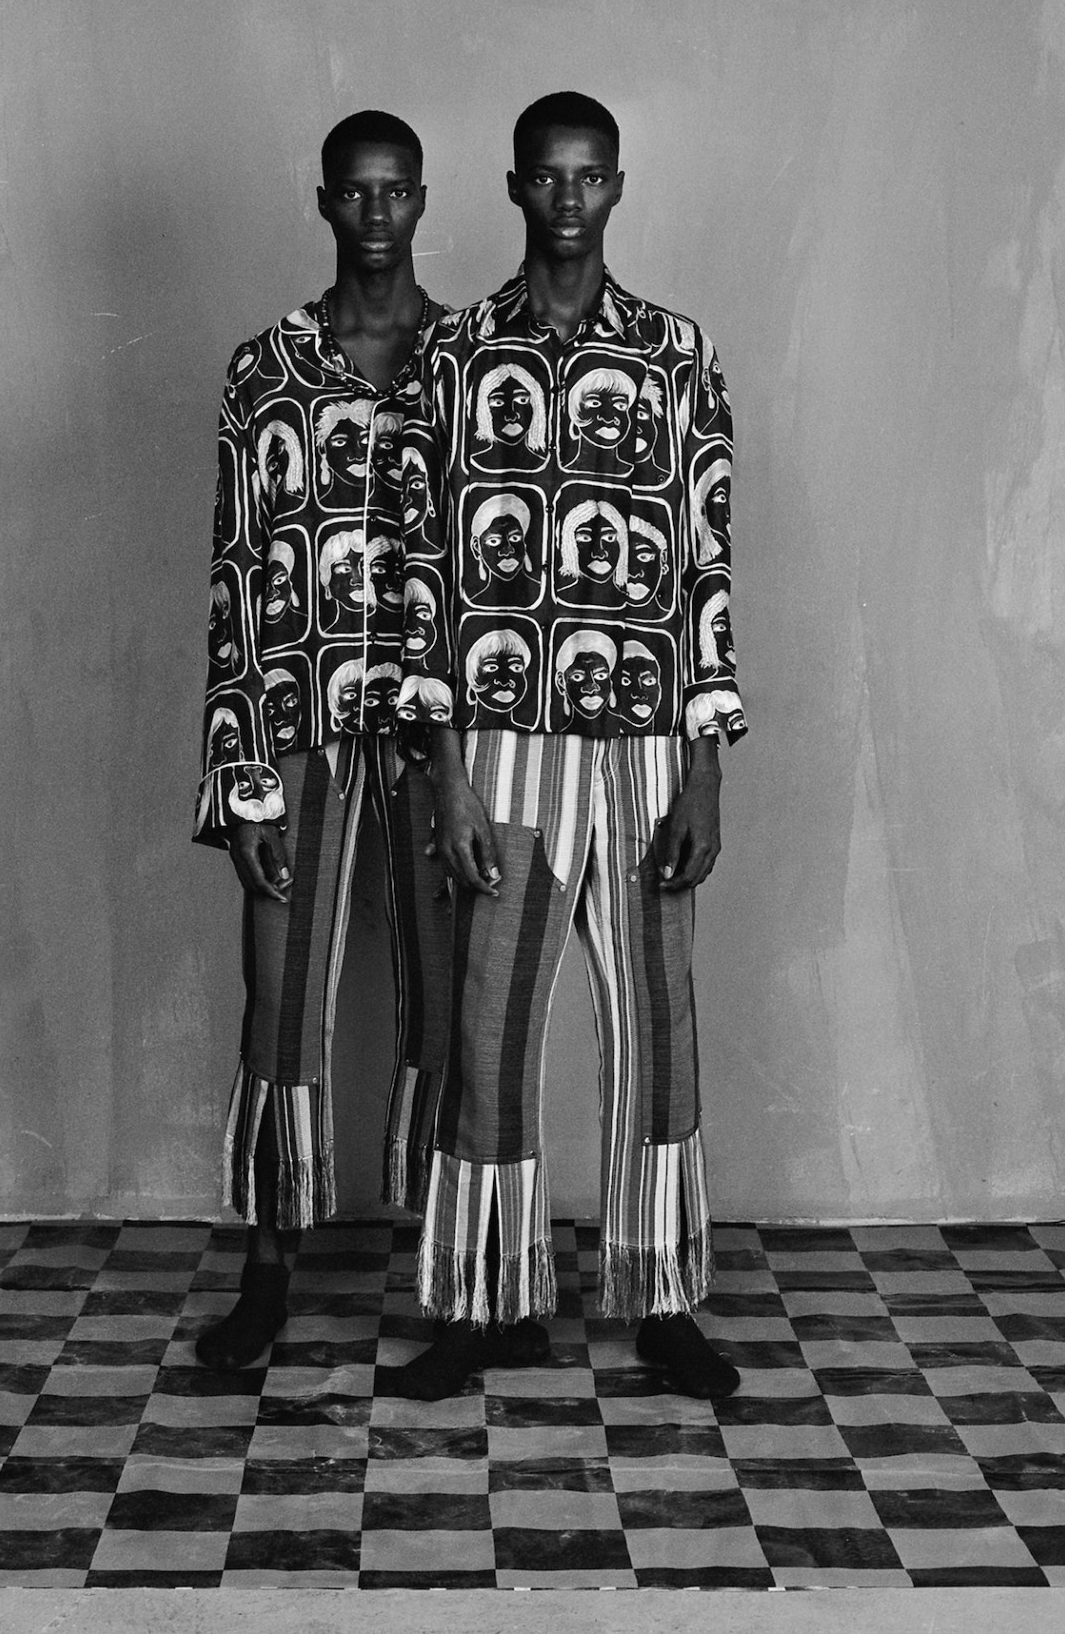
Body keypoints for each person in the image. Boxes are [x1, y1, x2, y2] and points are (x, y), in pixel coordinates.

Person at [393, 90, 747, 1402]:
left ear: (614, 186)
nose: (566, 198)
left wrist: (705, 758)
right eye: (545, 176)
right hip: (504, 737)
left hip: (649, 740)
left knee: (658, 1020)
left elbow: (707, 565)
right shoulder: (457, 358)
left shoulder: (672, 353)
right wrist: (440, 766)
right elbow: (419, 573)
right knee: (489, 1024)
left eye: (587, 176)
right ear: (513, 186)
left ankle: (661, 1298)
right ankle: (486, 1303)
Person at [193, 110, 453, 1372]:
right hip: (299, 724)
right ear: (324, 203)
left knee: (450, 995)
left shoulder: (467, 360)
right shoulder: (268, 370)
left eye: (395, 192)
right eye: (355, 194)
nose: (376, 214)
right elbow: (237, 577)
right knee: (281, 998)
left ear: (423, 201)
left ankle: (458, 1273)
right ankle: (267, 1273)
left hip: (438, 731)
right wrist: (239, 779)